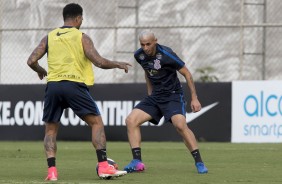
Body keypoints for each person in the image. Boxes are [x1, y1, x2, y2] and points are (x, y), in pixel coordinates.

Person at [27, 3, 130, 181]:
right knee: (96, 123)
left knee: (50, 130)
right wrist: (117, 64)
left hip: (53, 86)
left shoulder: (49, 37)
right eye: (81, 19)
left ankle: (52, 172)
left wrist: (40, 70)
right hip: (73, 85)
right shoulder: (81, 36)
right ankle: (104, 166)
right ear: (78, 18)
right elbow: (98, 61)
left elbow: (31, 60)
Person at [123, 30, 208, 174]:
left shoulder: (167, 54)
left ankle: (199, 162)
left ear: (155, 41)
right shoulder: (139, 55)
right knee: (131, 120)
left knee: (180, 125)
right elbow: (147, 72)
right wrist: (150, 93)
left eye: (148, 44)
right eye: (142, 44)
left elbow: (186, 73)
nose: (145, 48)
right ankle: (137, 162)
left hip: (172, 96)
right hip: (156, 97)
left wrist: (194, 98)